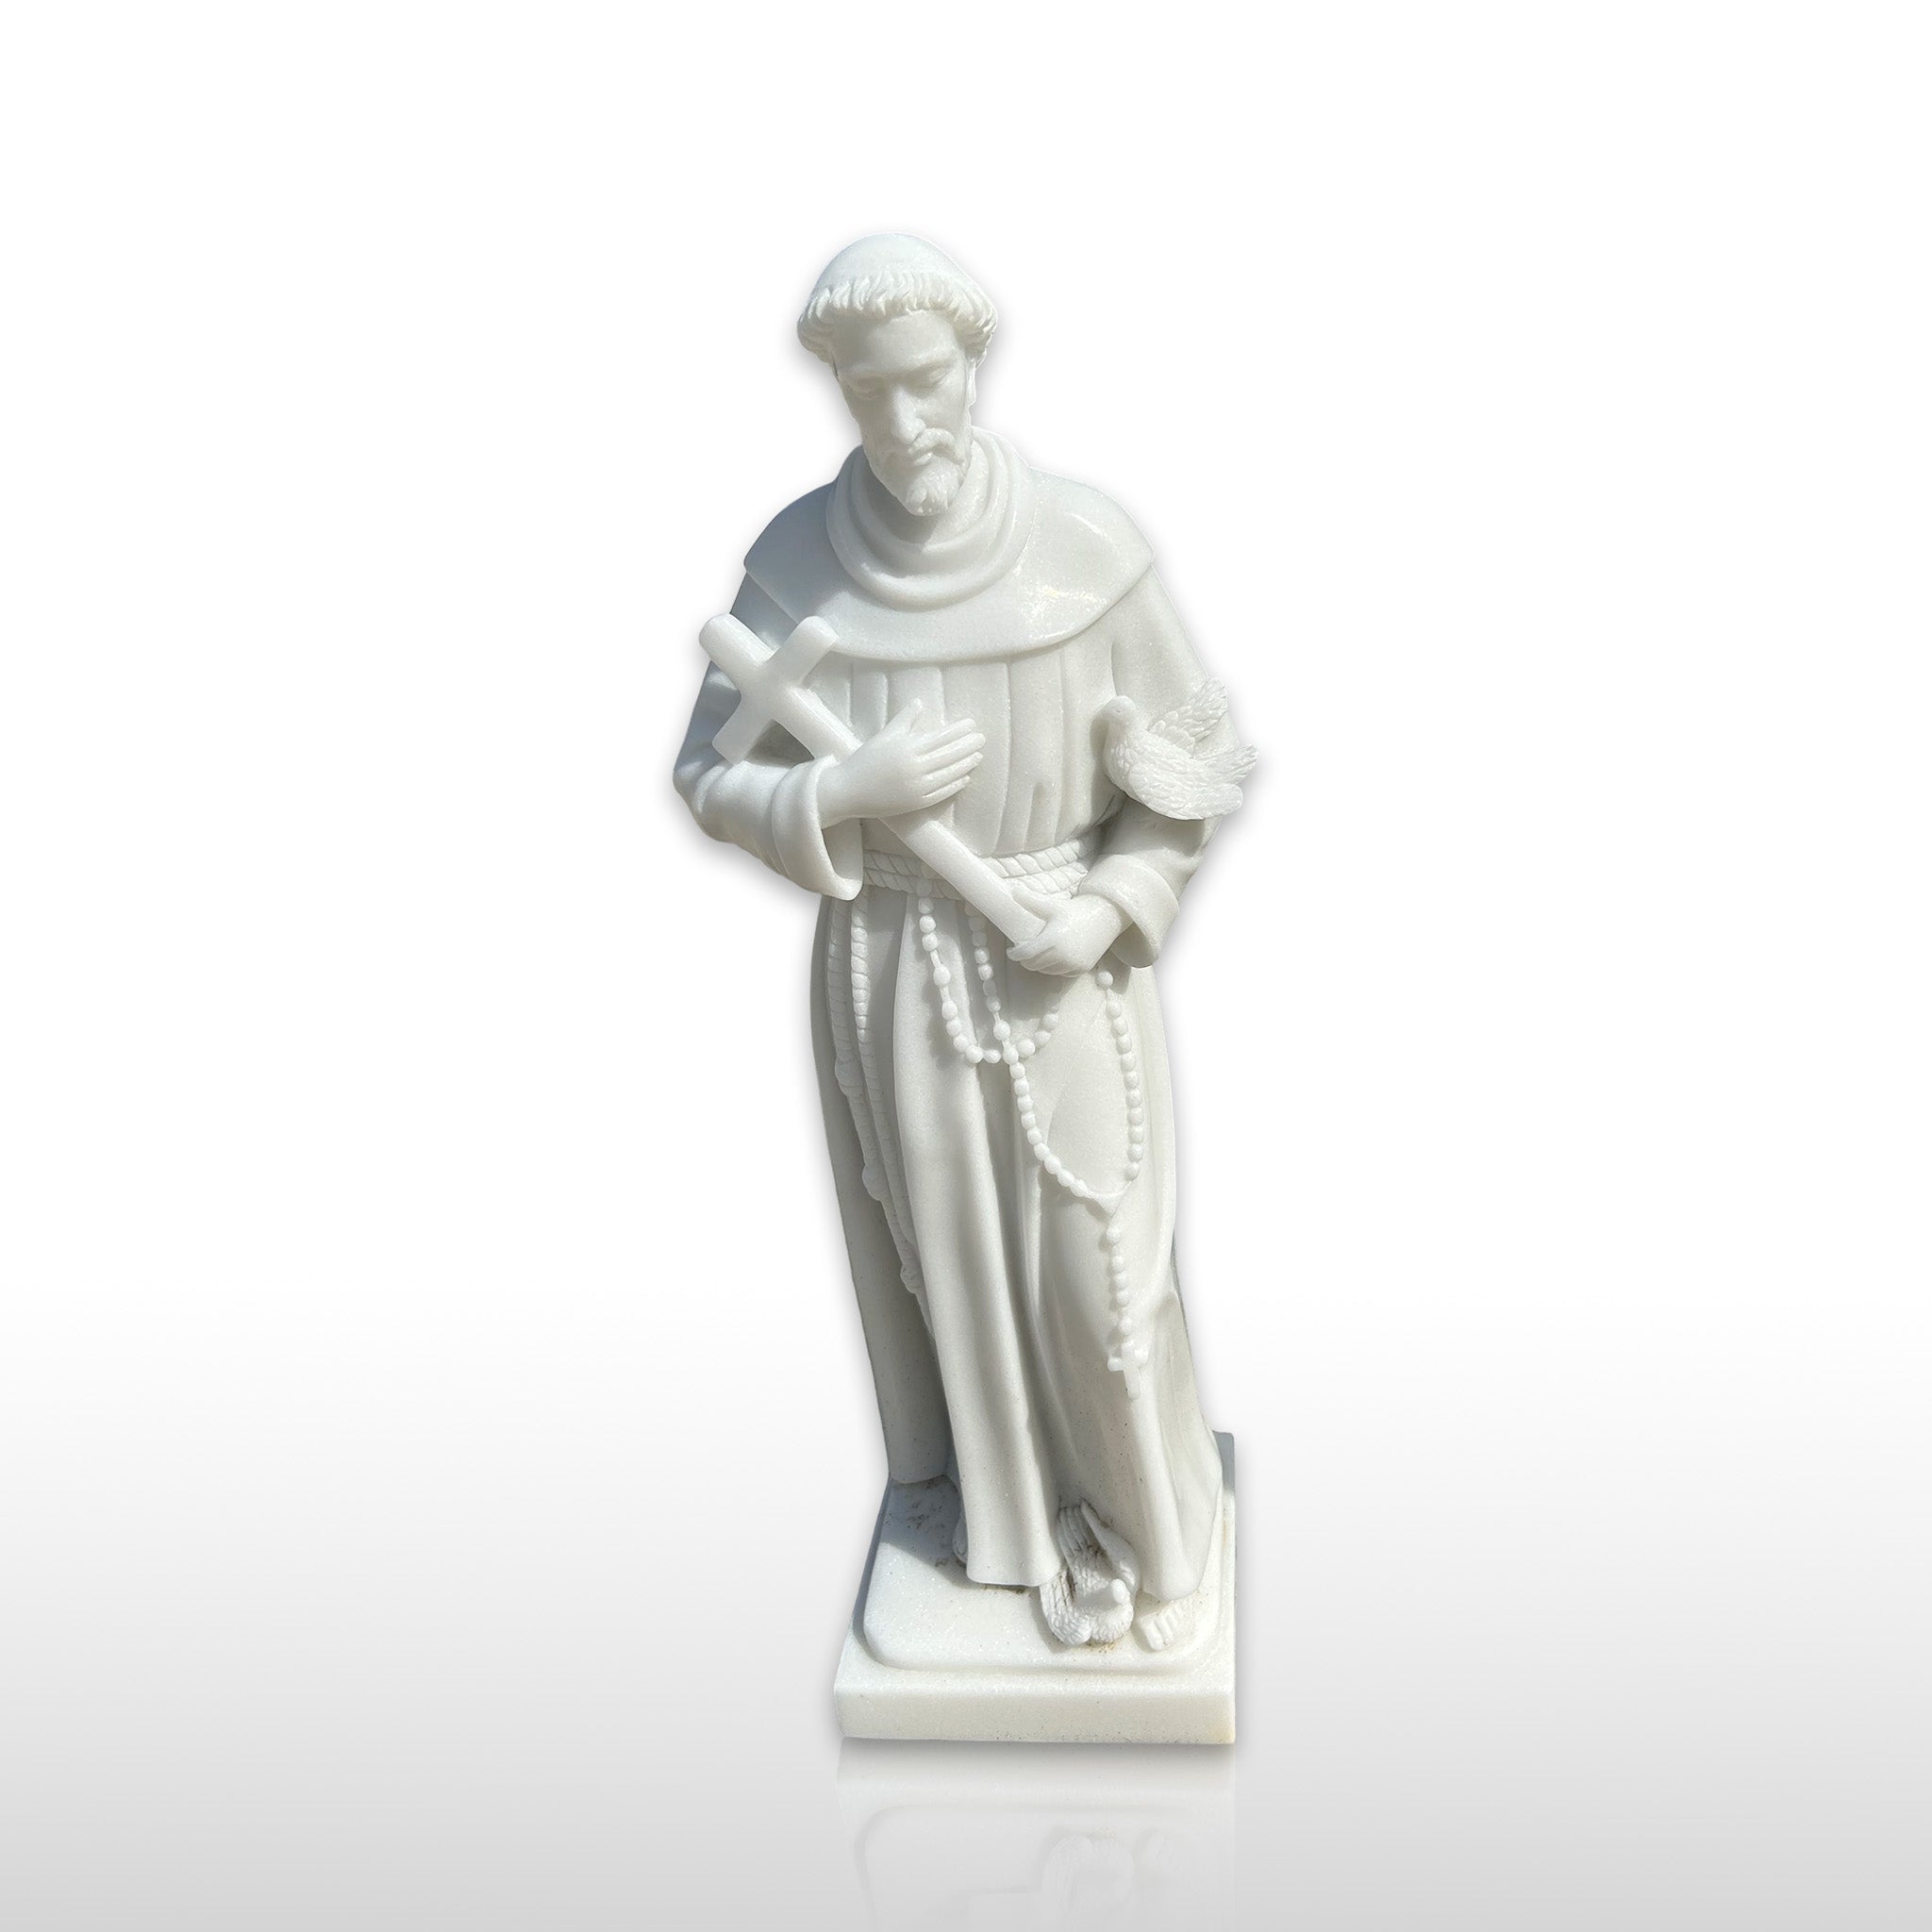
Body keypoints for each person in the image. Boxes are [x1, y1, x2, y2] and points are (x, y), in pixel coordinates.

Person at [674, 235, 1252, 1648]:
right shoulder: (796, 565)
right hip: (893, 963)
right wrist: (840, 794)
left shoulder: (1086, 552)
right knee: (950, 1282)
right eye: (869, 391)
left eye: (925, 380)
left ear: (973, 364)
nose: (904, 419)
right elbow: (709, 771)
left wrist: (1109, 905)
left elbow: (1188, 766)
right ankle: (1014, 1539)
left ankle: (1153, 1540)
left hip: (1055, 955)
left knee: (1098, 1282)